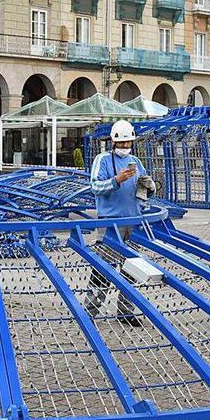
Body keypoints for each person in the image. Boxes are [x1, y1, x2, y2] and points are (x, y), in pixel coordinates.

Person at [84, 120, 155, 327]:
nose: (125, 147)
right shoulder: (103, 159)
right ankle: (90, 312)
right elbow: (95, 186)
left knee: (131, 268)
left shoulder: (136, 161)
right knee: (102, 269)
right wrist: (117, 179)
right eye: (122, 143)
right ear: (114, 142)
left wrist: (149, 187)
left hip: (132, 221)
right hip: (110, 222)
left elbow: (144, 192)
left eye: (128, 143)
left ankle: (126, 311)